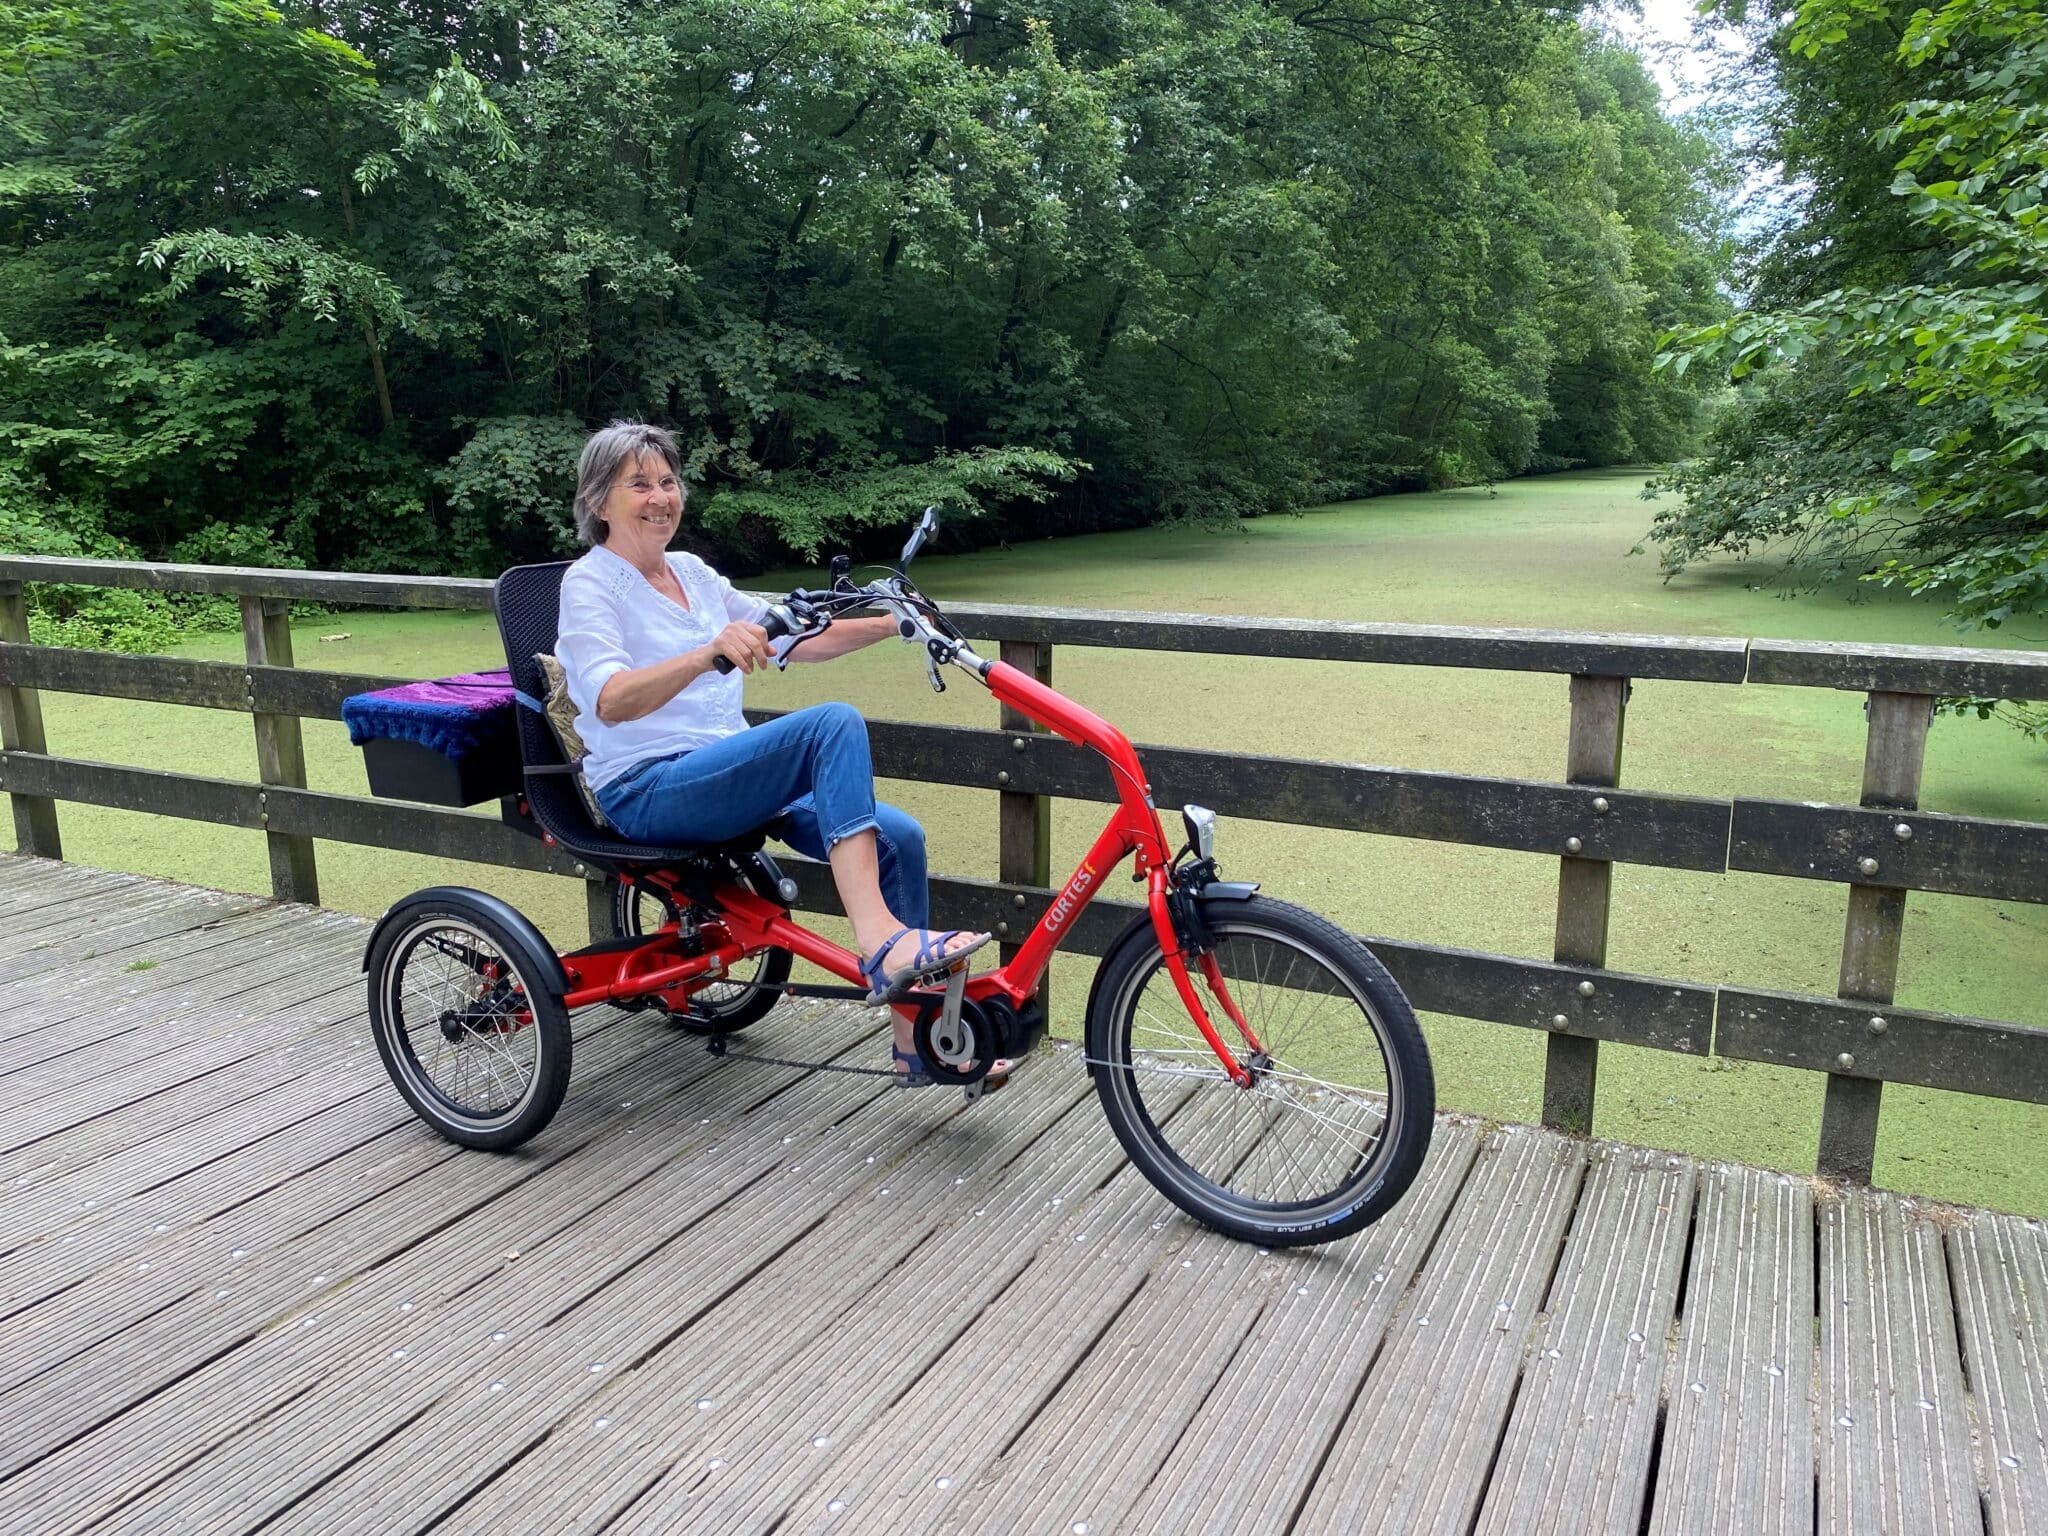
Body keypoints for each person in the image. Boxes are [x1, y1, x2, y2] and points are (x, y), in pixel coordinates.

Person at [553, 420, 1000, 1087]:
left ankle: (919, 1043)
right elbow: (611, 699)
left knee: (899, 838)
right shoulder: (588, 586)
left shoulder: (695, 575)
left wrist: (890, 623)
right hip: (647, 788)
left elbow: (790, 639)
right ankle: (881, 938)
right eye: (638, 484)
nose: (660, 497)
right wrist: (708, 654)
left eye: (668, 481)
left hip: (722, 770)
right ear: (598, 503)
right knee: (830, 725)